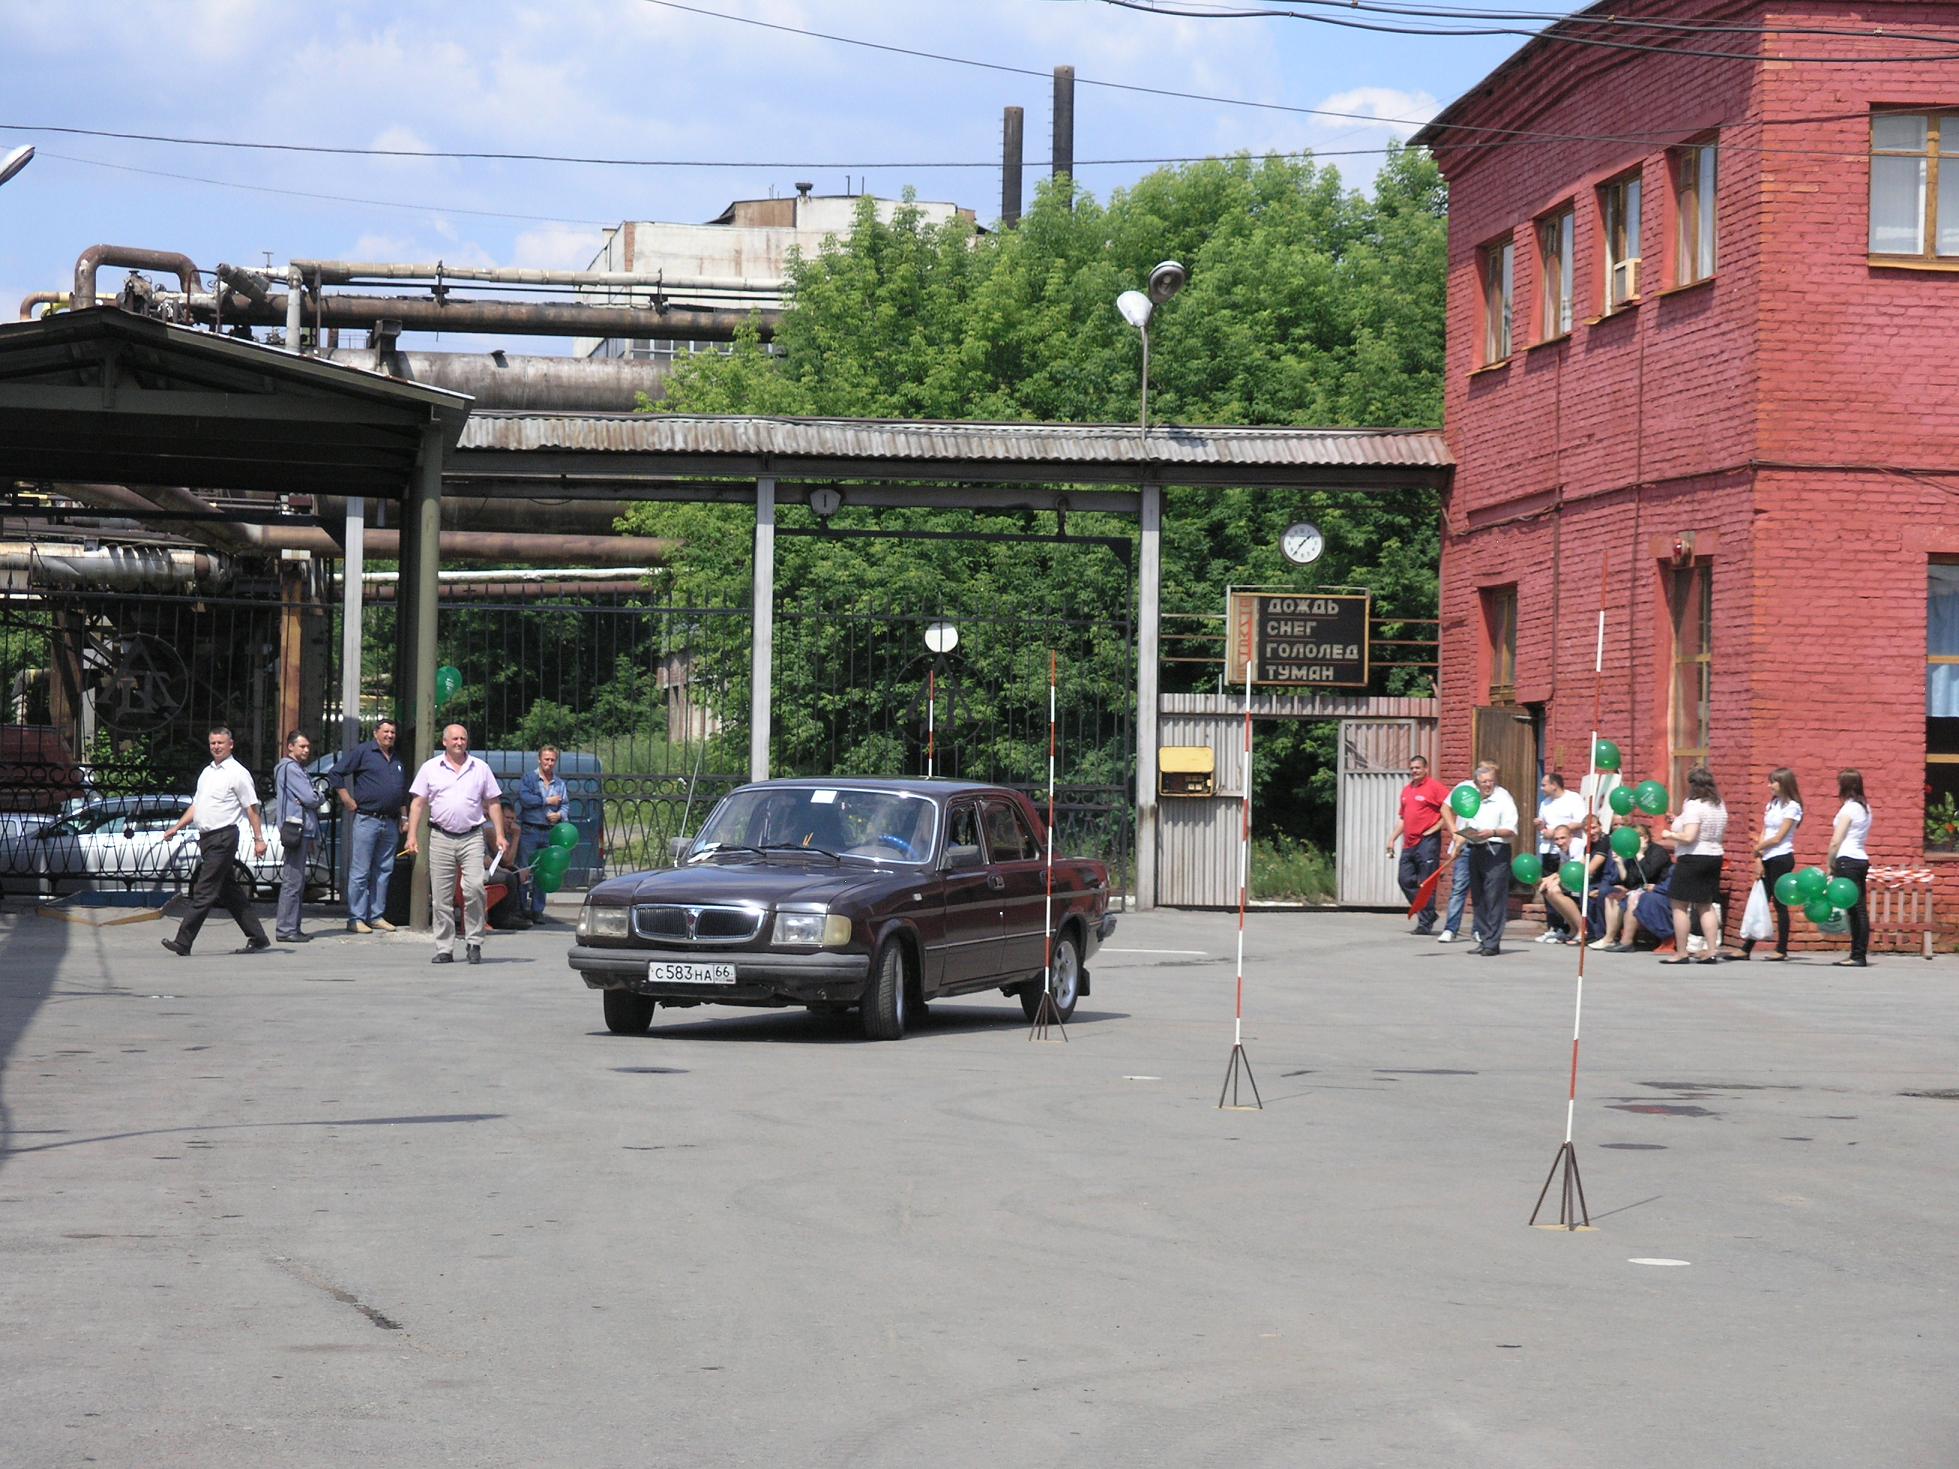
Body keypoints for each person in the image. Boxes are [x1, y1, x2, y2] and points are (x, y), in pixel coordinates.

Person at [159, 725, 271, 957]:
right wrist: (177, 827)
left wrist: (259, 839)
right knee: (230, 892)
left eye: (221, 743)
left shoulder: (238, 773)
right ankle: (258, 937)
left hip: (224, 837)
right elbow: (196, 806)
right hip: (207, 839)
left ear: (231, 745)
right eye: (213, 743)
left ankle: (183, 941)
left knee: (204, 890)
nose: (216, 747)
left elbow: (252, 808)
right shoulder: (208, 772)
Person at [403, 723, 510, 966]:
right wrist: (412, 836)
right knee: (441, 896)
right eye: (455, 739)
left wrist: (500, 834)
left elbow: (493, 802)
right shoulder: (430, 768)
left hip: (472, 836)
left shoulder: (480, 768)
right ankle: (444, 947)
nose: (459, 743)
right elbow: (418, 803)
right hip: (440, 837)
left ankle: (474, 941)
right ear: (445, 742)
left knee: (474, 888)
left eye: (463, 738)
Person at [331, 717, 408, 934]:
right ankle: (356, 917)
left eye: (392, 732)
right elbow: (335, 773)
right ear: (376, 733)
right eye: (385, 732)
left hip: (390, 822)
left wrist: (404, 818)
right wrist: (346, 799)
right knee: (360, 871)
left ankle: (376, 915)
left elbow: (401, 792)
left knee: (384, 870)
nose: (389, 735)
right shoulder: (364, 752)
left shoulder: (397, 759)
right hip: (367, 819)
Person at [1657, 766, 1729, 964]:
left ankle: (1681, 951)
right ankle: (1712, 950)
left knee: (1679, 904)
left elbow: (1689, 837)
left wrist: (1670, 834)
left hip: (1692, 858)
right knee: (1706, 904)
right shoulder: (1718, 804)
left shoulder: (1694, 805)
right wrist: (1677, 820)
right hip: (1714, 856)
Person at [1454, 761, 1519, 957]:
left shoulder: (1503, 798)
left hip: (1496, 850)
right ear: (1476, 783)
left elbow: (1511, 830)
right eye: (1483, 782)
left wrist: (1492, 832)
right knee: (1479, 897)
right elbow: (1465, 823)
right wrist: (1458, 845)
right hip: (1475, 848)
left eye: (1490, 781)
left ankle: (1493, 942)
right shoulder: (1473, 799)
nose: (1487, 785)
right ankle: (1483, 938)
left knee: (1494, 896)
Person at [1742, 767, 1803, 961]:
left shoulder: (1792, 807)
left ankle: (1782, 948)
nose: (1770, 786)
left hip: (1781, 857)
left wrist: (1759, 846)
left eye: (1773, 782)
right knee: (1760, 899)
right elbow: (1765, 831)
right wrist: (1758, 857)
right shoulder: (1773, 804)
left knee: (1779, 902)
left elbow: (1778, 837)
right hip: (1767, 856)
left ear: (1784, 783)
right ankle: (1746, 947)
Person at [1385, 754, 1450, 935]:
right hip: (1409, 842)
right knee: (1404, 879)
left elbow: (1449, 808)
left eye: (1417, 768)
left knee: (1426, 882)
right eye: (1412, 768)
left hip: (1427, 841)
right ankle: (1429, 913)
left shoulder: (1434, 787)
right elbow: (1404, 819)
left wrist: (1437, 827)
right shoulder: (1406, 791)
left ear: (1425, 769)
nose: (1414, 771)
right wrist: (1392, 838)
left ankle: (1424, 924)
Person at [1591, 817, 1672, 952]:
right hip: (1638, 889)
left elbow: (1648, 873)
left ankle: (1626, 941)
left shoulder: (1657, 852)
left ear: (1645, 838)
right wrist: (1620, 863)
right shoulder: (1631, 854)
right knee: (1612, 896)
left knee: (1633, 898)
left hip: (1657, 889)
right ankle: (1609, 938)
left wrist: (1640, 855)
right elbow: (1629, 880)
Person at [271, 730, 319, 943]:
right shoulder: (290, 768)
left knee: (297, 881)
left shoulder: (295, 768)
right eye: (302, 746)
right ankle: (286, 929)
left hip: (300, 828)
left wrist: (310, 797)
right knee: (293, 880)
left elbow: (307, 798)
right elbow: (310, 797)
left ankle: (293, 927)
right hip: (296, 828)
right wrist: (317, 795)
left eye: (307, 747)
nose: (306, 750)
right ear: (290, 747)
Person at [515, 745, 570, 922]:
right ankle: (521, 908)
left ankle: (537, 910)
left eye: (552, 760)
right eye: (546, 759)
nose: (549, 763)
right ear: (539, 759)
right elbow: (525, 799)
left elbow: (565, 805)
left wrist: (560, 814)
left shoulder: (560, 783)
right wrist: (547, 801)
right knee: (524, 870)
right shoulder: (530, 779)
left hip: (549, 831)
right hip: (530, 830)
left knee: (544, 872)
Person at [1827, 768, 1873, 967]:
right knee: (1858, 909)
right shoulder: (1865, 808)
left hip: (1847, 859)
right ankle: (1857, 953)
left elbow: (1836, 840)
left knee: (1856, 909)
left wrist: (1831, 862)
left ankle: (1858, 955)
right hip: (1860, 858)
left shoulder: (1849, 809)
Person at [1535, 773, 1589, 938]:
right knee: (1546, 889)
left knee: (1559, 888)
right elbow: (1543, 826)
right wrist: (1542, 828)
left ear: (1554, 785)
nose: (1542, 788)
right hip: (1549, 848)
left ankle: (1567, 927)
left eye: (1544, 785)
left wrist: (1558, 832)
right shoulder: (1545, 803)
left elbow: (1581, 821)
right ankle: (1554, 927)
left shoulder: (1573, 799)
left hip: (1569, 850)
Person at [1539, 813, 1606, 943]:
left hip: (1590, 881)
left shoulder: (1578, 845)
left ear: (1571, 836)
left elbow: (1580, 869)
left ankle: (1582, 928)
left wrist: (1555, 881)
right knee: (1548, 890)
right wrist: (1548, 880)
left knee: (1554, 890)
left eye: (1562, 838)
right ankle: (1573, 928)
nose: (1559, 842)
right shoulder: (1572, 848)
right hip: (1581, 880)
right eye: (1556, 839)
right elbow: (1562, 870)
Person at [1436, 774, 1483, 946]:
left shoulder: (1496, 793)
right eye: (1484, 778)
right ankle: (1450, 929)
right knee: (1459, 888)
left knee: (1481, 891)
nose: (1487, 782)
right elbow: (1445, 808)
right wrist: (1454, 831)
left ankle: (1478, 929)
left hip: (1484, 845)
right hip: (1464, 845)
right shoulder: (1464, 788)